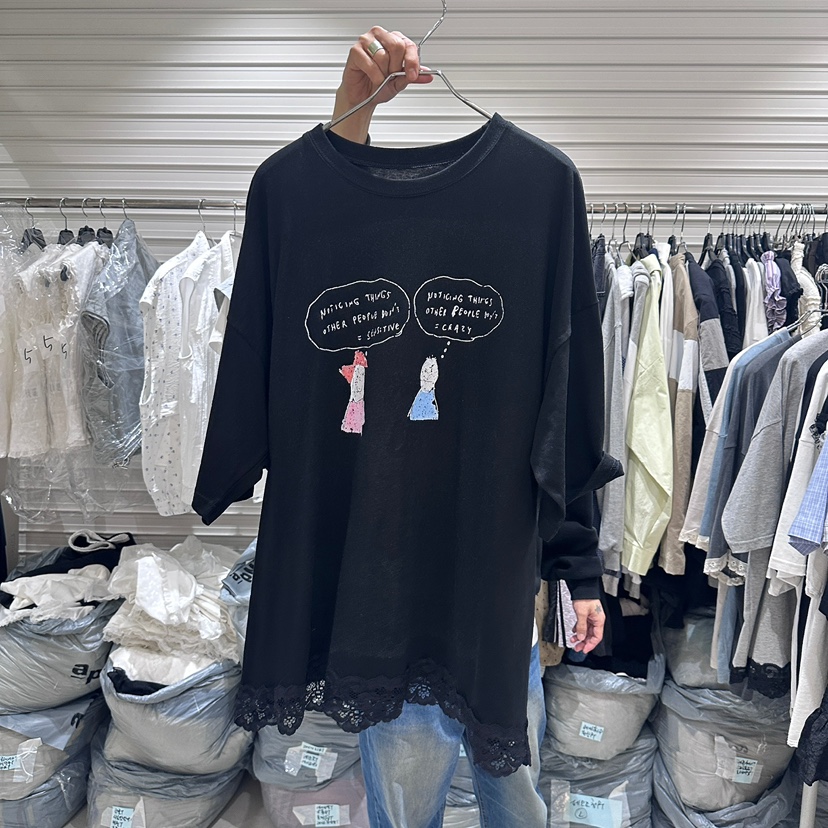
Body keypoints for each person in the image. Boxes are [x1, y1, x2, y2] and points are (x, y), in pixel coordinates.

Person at [328, 26, 608, 828]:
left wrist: (578, 569)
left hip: (496, 591)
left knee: (511, 788)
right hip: (385, 598)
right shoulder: (342, 238)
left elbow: (561, 417)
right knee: (405, 797)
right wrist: (350, 117)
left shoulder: (539, 201)